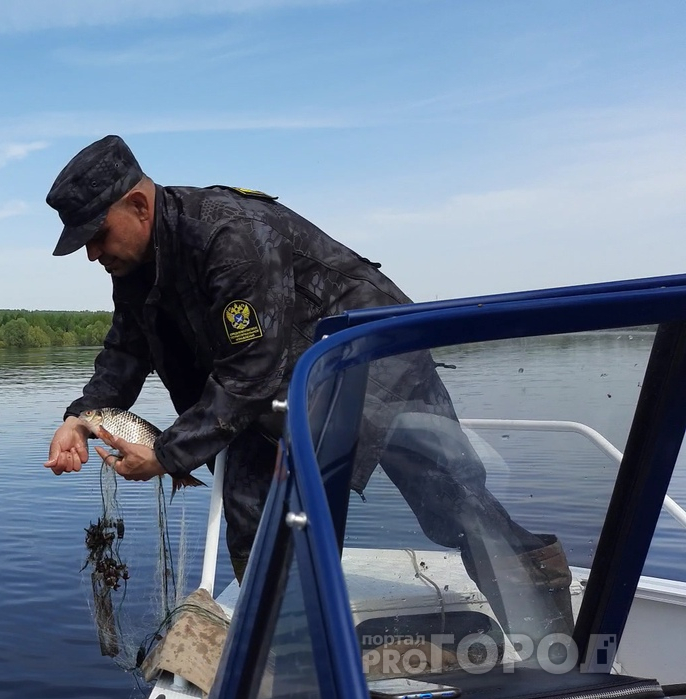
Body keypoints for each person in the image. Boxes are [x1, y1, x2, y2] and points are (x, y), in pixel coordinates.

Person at [41, 135, 574, 641]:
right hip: (275, 391)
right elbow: (126, 351)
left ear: (138, 205)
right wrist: (81, 416)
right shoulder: (134, 264)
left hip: (380, 365)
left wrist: (167, 453)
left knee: (456, 504)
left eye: (96, 236)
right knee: (255, 520)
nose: (92, 254)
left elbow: (249, 368)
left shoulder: (229, 234)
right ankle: (291, 663)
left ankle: (554, 647)